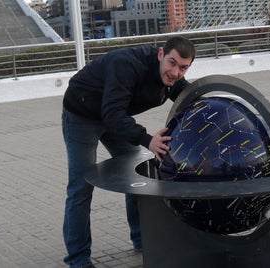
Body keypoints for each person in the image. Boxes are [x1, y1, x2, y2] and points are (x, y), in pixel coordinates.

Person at [61, 36, 196, 268]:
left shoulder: (173, 77)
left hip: (114, 117)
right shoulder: (126, 65)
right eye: (172, 63)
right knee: (80, 187)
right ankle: (78, 259)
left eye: (183, 67)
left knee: (137, 176)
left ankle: (142, 239)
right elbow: (113, 114)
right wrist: (147, 140)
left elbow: (190, 97)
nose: (175, 72)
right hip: (82, 116)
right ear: (160, 54)